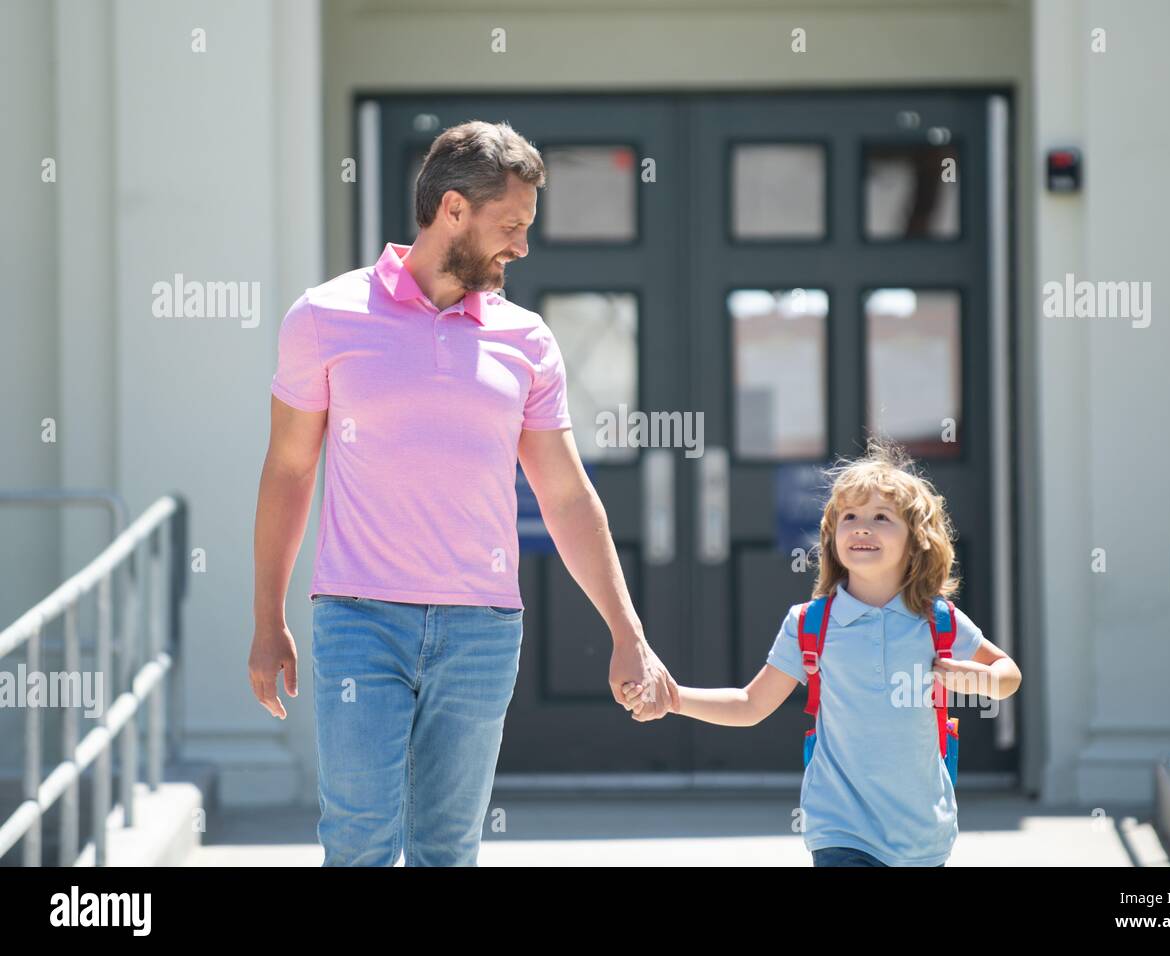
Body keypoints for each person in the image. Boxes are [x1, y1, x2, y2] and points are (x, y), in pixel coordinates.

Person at [249, 119, 677, 866]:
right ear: (453, 210)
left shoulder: (527, 341)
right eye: (510, 225)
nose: (521, 245)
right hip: (359, 619)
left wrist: (626, 631)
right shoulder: (324, 317)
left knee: (448, 848)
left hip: (481, 632)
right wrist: (266, 618)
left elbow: (568, 496)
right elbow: (289, 469)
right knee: (359, 841)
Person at [623, 436, 1021, 866]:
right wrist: (675, 699)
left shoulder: (939, 622)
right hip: (840, 830)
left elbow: (1008, 672)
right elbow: (750, 703)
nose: (862, 526)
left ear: (917, 542)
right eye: (849, 516)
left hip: (924, 834)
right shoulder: (810, 624)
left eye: (882, 517)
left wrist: (986, 680)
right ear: (832, 537)